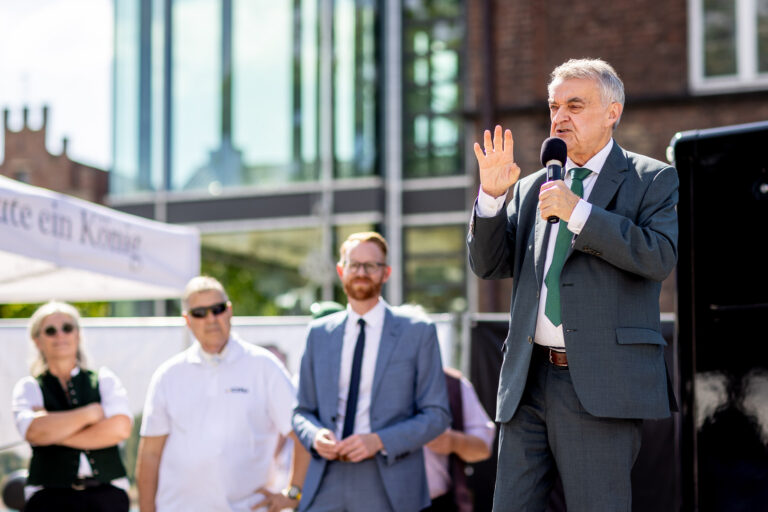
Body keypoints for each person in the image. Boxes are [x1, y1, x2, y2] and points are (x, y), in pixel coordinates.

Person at [467, 58, 679, 511]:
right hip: (527, 380)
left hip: (599, 385)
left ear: (612, 112)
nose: (560, 117)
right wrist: (490, 197)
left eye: (575, 105)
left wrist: (578, 213)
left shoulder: (652, 179)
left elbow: (658, 256)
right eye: (554, 106)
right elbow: (489, 266)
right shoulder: (531, 188)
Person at [292, 231, 451, 512]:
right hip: (325, 479)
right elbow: (301, 411)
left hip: (388, 480)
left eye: (371, 265)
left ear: (386, 273)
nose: (361, 272)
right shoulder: (318, 333)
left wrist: (378, 441)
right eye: (354, 264)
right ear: (341, 271)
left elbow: (437, 415)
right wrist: (315, 436)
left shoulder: (417, 332)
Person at [136, 276, 309, 512]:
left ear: (229, 311)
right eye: (200, 313)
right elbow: (150, 455)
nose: (211, 319)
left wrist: (294, 492)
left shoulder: (263, 366)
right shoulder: (168, 375)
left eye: (217, 310)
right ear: (187, 320)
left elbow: (302, 434)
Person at [11, 301, 132, 512]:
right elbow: (34, 431)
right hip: (48, 499)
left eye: (67, 328)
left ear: (78, 335)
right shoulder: (29, 386)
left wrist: (54, 432)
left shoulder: (104, 379)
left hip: (108, 496)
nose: (60, 335)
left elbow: (120, 428)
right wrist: (91, 413)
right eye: (50, 330)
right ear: (37, 340)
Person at [423, 366, 495, 512]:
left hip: (439, 503)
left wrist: (454, 442)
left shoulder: (453, 384)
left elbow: (484, 448)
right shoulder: (369, 383)